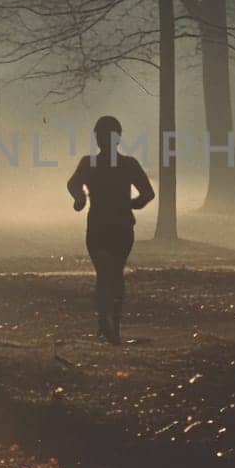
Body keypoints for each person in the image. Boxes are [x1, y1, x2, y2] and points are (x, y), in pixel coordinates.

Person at [66, 115, 154, 344]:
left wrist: (80, 199)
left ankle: (107, 323)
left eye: (102, 134)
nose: (101, 138)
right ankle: (111, 323)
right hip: (119, 227)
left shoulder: (92, 163)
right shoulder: (127, 164)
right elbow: (148, 194)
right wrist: (131, 204)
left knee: (106, 274)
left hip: (103, 227)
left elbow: (73, 184)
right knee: (112, 274)